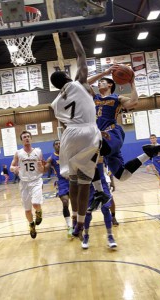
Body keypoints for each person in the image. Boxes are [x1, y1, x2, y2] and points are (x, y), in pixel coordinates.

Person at [50, 31, 104, 240]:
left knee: (72, 180)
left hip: (68, 136)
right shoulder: (78, 83)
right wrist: (73, 33)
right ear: (66, 77)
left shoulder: (55, 104)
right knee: (84, 183)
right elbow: (81, 55)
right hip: (88, 131)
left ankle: (73, 219)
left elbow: (64, 122)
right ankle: (81, 222)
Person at [87, 67, 160, 189]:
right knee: (123, 175)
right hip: (102, 138)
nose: (98, 83)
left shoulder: (117, 98)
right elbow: (84, 83)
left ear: (110, 84)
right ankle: (149, 153)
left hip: (112, 133)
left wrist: (132, 83)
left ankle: (99, 192)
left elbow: (134, 102)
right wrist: (104, 73)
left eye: (102, 81)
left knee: (92, 149)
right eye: (98, 82)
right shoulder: (95, 98)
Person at [10, 131, 44, 239]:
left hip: (36, 180)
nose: (27, 138)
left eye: (28, 136)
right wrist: (14, 169)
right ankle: (31, 225)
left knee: (35, 203)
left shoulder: (38, 151)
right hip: (24, 183)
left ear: (31, 138)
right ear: (22, 140)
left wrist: (41, 167)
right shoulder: (18, 153)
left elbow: (42, 169)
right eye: (24, 137)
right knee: (27, 209)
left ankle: (39, 212)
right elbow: (12, 166)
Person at [82, 161, 117, 250]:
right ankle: (86, 236)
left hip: (102, 183)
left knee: (105, 208)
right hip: (88, 185)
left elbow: (107, 165)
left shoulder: (99, 150)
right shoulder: (82, 153)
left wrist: (112, 180)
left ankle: (110, 236)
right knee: (88, 212)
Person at [44, 140, 73, 238]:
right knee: (65, 202)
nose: (58, 145)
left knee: (77, 203)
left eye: (60, 143)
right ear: (54, 146)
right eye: (56, 144)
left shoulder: (69, 154)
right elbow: (46, 168)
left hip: (73, 180)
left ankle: (78, 223)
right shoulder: (51, 158)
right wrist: (43, 165)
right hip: (62, 182)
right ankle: (69, 226)